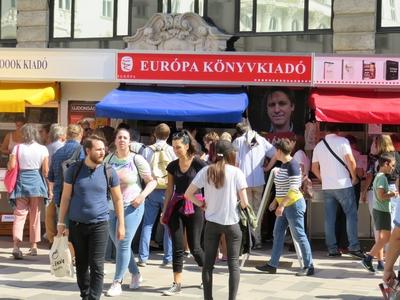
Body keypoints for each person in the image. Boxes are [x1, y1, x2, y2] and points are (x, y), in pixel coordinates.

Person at [57, 135, 125, 300]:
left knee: (97, 264)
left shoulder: (108, 171)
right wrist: (60, 222)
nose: (102, 152)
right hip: (77, 224)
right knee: (81, 264)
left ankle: (94, 298)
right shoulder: (74, 170)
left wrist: (121, 224)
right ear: (88, 151)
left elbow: (117, 199)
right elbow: (65, 197)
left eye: (103, 149)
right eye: (98, 149)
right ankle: (85, 295)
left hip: (100, 224)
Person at [185, 140, 249, 300]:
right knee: (233, 265)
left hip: (212, 224)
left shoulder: (207, 171)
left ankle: (208, 298)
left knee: (208, 265)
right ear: (230, 154)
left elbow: (188, 194)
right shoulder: (236, 172)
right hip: (232, 223)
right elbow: (245, 203)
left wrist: (202, 204)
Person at [104, 128, 157, 296]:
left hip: (132, 206)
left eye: (125, 138)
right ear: (115, 140)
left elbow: (152, 182)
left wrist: (142, 196)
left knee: (124, 243)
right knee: (119, 244)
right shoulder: (109, 158)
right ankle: (135, 273)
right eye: (119, 137)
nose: (121, 140)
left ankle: (117, 282)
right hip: (111, 208)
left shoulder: (137, 159)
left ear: (130, 141)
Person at [256, 138, 314, 276]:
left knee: (299, 235)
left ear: (280, 151)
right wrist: (275, 202)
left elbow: (294, 188)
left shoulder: (292, 165)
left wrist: (280, 205)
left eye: (276, 151)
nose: (274, 153)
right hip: (286, 205)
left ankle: (309, 266)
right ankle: (272, 264)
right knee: (278, 234)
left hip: (293, 205)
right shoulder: (284, 164)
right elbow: (283, 187)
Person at [161, 130, 206, 296]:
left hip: (195, 207)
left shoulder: (199, 164)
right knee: (178, 247)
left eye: (179, 147)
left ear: (187, 146)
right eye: (173, 147)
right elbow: (169, 190)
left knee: (195, 247)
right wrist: (164, 211)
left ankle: (206, 275)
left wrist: (208, 203)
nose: (176, 150)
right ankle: (176, 283)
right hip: (176, 207)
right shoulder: (172, 166)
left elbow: (212, 183)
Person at [311, 123, 364, 259]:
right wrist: (353, 177)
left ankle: (332, 249)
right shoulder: (343, 141)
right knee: (350, 215)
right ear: (338, 131)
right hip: (344, 184)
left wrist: (323, 178)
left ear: (325, 131)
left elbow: (314, 168)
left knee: (329, 218)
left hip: (328, 187)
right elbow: (351, 161)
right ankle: (354, 246)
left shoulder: (319, 146)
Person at [8, 123, 49, 259]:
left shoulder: (17, 148)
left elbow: (12, 166)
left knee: (19, 215)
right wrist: (49, 188)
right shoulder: (43, 149)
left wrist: (9, 162)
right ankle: (34, 246)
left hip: (21, 183)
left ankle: (16, 245)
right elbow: (45, 171)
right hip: (36, 184)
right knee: (35, 216)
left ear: (24, 134)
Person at [232, 121, 276, 248]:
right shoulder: (261, 140)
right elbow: (275, 154)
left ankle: (249, 240)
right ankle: (257, 239)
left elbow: (234, 163)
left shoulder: (237, 142)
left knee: (246, 210)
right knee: (258, 210)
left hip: (243, 181)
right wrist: (267, 168)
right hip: (259, 180)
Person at [138, 123, 175, 267]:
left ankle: (143, 257)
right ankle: (168, 257)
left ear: (154, 134)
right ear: (168, 135)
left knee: (147, 224)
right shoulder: (171, 150)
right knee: (168, 225)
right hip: (167, 189)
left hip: (151, 188)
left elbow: (143, 170)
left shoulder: (147, 150)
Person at [362, 153, 397, 273]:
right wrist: (394, 194)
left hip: (381, 210)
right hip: (382, 211)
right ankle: (369, 258)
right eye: (392, 166)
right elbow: (382, 196)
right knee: (385, 238)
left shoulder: (379, 176)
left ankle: (370, 258)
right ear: (386, 164)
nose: (393, 169)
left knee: (384, 238)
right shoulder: (382, 178)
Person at [45, 124, 66, 247]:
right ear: (62, 135)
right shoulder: (64, 148)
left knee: (49, 213)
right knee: (61, 213)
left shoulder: (47, 148)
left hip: (49, 182)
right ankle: (61, 238)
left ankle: (51, 238)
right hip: (62, 184)